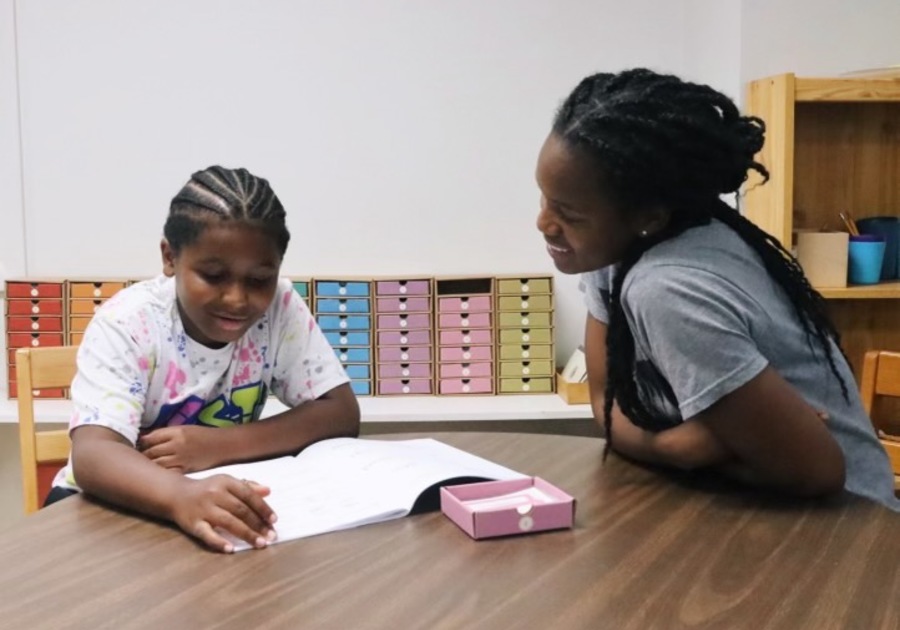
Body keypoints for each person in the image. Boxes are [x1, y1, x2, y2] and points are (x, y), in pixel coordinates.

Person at [535, 68, 899, 510]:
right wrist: (671, 448)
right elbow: (602, 402)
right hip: (750, 503)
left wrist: (692, 451)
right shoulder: (616, 250)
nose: (544, 222)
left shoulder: (666, 289)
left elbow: (815, 472)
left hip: (843, 531)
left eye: (569, 213)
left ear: (648, 215)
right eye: (545, 199)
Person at [49, 165, 361, 551]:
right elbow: (93, 455)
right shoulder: (127, 323)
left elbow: (340, 412)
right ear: (170, 258)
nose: (237, 299)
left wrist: (218, 445)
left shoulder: (281, 307)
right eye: (213, 275)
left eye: (259, 279)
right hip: (106, 510)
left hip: (209, 506)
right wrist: (180, 495)